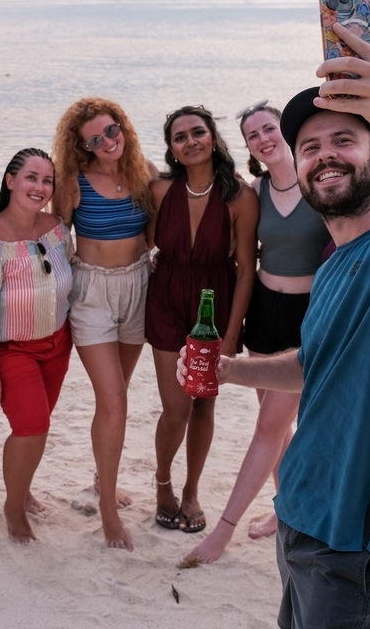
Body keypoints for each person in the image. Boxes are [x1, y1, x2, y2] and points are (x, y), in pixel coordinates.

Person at [178, 22, 370, 628]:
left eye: (345, 139)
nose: (324, 154)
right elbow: (315, 362)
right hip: (304, 515)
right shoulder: (336, 265)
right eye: (310, 147)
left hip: (359, 537)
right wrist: (231, 370)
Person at [183, 101, 332, 563]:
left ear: (284, 132)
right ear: (248, 146)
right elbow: (238, 254)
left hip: (309, 318)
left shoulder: (320, 183)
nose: (263, 138)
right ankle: (286, 511)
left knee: (269, 428)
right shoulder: (255, 191)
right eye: (253, 135)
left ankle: (222, 533)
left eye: (269, 128)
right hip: (264, 315)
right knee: (278, 425)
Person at [51, 98, 158, 551]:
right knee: (112, 401)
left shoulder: (145, 171)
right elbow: (53, 234)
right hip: (92, 292)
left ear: (123, 126)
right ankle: (108, 511)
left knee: (121, 392)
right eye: (94, 139)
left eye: (111, 130)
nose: (107, 142)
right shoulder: (73, 183)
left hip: (138, 286)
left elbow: (158, 231)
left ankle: (102, 477)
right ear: (81, 146)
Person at [146, 106, 258, 535]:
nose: (190, 141)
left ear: (212, 137)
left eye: (198, 132)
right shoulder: (159, 190)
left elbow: (246, 269)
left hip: (215, 301)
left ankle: (191, 490)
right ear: (171, 148)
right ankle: (162, 482)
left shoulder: (240, 197)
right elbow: (146, 241)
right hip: (166, 299)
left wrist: (230, 337)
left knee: (204, 401)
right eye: (180, 137)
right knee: (176, 407)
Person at [0, 148, 74, 544]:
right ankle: (12, 506)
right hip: (13, 349)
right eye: (31, 177)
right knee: (31, 426)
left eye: (47, 180)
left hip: (59, 343)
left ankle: (23, 491)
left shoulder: (56, 226)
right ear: (10, 181)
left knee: (38, 429)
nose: (40, 187)